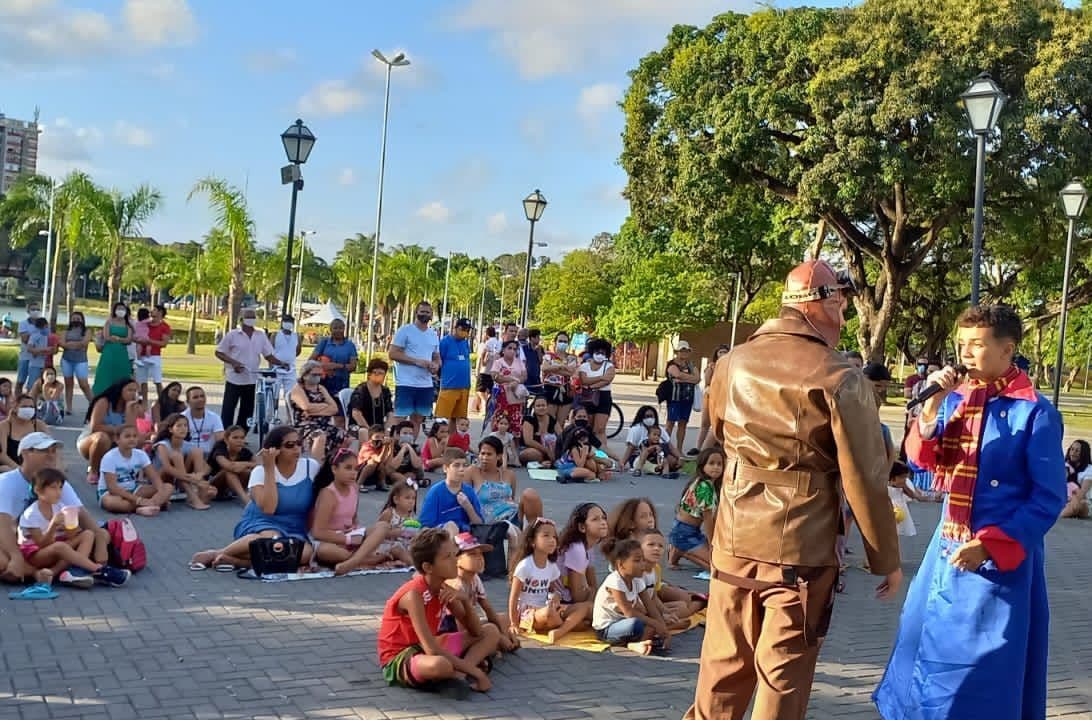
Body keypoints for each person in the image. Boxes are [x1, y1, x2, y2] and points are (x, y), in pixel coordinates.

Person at [688, 260, 901, 720]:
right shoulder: (839, 375)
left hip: (733, 534)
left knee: (722, 665)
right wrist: (885, 558)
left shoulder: (731, 363)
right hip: (801, 542)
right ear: (824, 304)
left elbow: (719, 437)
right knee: (782, 676)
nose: (843, 313)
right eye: (840, 302)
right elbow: (865, 478)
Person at [873, 305, 1066, 720]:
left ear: (1007, 349)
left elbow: (1047, 497)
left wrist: (991, 546)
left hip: (998, 563)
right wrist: (931, 408)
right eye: (961, 344)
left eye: (977, 344)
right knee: (923, 651)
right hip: (945, 551)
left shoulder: (1035, 411)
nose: (965, 353)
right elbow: (921, 463)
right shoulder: (957, 399)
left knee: (985, 671)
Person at [377, 528, 499, 696]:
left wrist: (463, 599)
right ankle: (464, 670)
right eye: (447, 557)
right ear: (428, 567)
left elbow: (476, 631)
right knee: (440, 664)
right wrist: (477, 672)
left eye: (454, 554)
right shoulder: (414, 595)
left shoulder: (443, 588)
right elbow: (432, 650)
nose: (454, 561)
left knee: (491, 631)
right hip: (401, 658)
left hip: (429, 647)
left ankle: (460, 673)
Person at [190, 426, 319, 571]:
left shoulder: (310, 467)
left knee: (305, 554)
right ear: (274, 449)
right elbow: (269, 509)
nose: (297, 448)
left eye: (299, 443)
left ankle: (237, 561)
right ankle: (219, 553)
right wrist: (269, 469)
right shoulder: (260, 472)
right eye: (290, 445)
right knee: (272, 541)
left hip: (294, 527)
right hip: (263, 523)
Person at [0, 433, 111, 586]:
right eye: (44, 451)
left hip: (42, 545)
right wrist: (15, 556)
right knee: (4, 562)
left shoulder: (56, 482)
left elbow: (83, 516)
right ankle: (37, 573)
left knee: (100, 534)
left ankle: (61, 572)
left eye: (53, 451)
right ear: (25, 453)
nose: (51, 456)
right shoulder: (6, 482)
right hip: (13, 543)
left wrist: (101, 543)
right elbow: (3, 526)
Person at [20, 467, 132, 588]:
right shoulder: (31, 514)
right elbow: (42, 545)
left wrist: (70, 525)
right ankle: (99, 570)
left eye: (60, 487)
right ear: (38, 490)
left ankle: (73, 572)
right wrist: (53, 525)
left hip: (58, 550)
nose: (58, 492)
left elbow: (71, 536)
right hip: (37, 556)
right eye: (53, 488)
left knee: (88, 534)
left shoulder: (59, 507)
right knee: (60, 546)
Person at [309, 448, 397, 575]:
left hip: (350, 535)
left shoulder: (354, 488)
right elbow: (317, 532)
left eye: (356, 469)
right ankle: (367, 558)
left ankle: (353, 561)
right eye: (348, 468)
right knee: (327, 552)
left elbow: (353, 518)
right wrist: (347, 540)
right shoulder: (328, 493)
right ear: (334, 469)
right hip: (330, 540)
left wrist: (355, 530)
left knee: (383, 526)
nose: (353, 473)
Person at [508, 517, 591, 644]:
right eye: (546, 536)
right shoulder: (525, 566)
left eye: (554, 537)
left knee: (586, 607)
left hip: (547, 608)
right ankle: (567, 626)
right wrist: (514, 623)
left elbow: (554, 590)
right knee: (550, 613)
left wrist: (556, 597)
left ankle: (560, 628)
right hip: (528, 613)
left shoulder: (551, 566)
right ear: (532, 541)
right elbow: (513, 598)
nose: (552, 540)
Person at [469, 435, 543, 572]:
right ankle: (515, 569)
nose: (484, 457)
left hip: (511, 515)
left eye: (489, 454)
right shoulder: (473, 472)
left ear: (499, 456)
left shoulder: (509, 475)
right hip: (489, 521)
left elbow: (511, 499)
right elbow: (466, 498)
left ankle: (538, 539)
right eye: (482, 453)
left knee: (530, 494)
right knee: (511, 530)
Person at [444, 532, 520, 653]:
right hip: (454, 630)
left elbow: (488, 608)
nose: (479, 558)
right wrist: (499, 637)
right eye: (472, 554)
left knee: (503, 619)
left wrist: (505, 634)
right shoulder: (455, 584)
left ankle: (498, 644)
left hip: (471, 624)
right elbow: (462, 624)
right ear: (456, 559)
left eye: (480, 554)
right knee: (491, 634)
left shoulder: (474, 578)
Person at [592, 537, 670, 655]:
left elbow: (651, 606)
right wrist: (655, 623)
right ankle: (633, 644)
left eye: (643, 560)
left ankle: (641, 642)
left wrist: (663, 628)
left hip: (625, 622)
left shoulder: (637, 580)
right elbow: (628, 612)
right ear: (621, 564)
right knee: (637, 624)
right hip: (607, 628)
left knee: (653, 622)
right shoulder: (615, 581)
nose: (643, 564)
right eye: (637, 561)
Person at [214, 308, 289, 429]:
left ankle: (241, 435)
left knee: (247, 410)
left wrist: (281, 363)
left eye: (253, 317)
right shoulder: (232, 335)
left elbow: (268, 355)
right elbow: (219, 352)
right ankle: (225, 435)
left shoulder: (260, 335)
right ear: (241, 320)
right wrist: (234, 363)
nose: (251, 320)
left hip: (251, 378)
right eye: (248, 317)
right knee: (229, 408)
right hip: (234, 378)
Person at [388, 300, 440, 439]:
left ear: (431, 315)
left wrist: (436, 365)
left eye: (427, 312)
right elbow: (393, 353)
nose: (424, 314)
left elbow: (436, 356)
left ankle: (411, 447)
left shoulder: (433, 334)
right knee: (400, 418)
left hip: (425, 385)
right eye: (422, 311)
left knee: (417, 419)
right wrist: (416, 361)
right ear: (416, 312)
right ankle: (393, 447)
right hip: (406, 383)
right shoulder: (405, 330)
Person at [667, 447, 725, 571]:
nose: (716, 467)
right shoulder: (705, 487)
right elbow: (708, 520)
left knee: (716, 560)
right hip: (685, 532)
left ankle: (677, 550)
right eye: (711, 463)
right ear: (702, 465)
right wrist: (712, 545)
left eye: (720, 464)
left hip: (685, 529)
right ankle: (682, 550)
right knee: (716, 568)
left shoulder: (703, 482)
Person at [78, 379, 143, 485]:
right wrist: (116, 430)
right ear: (120, 390)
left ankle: (127, 470)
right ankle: (93, 471)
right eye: (130, 390)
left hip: (115, 441)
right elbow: (95, 427)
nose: (133, 393)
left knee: (138, 439)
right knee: (102, 438)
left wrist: (128, 409)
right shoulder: (104, 402)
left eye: (135, 391)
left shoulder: (132, 406)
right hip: (92, 441)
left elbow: (131, 430)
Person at [98, 424, 173, 515]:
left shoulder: (140, 454)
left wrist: (161, 492)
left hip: (134, 489)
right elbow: (112, 488)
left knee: (168, 487)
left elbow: (154, 477)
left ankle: (149, 505)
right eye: (127, 436)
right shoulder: (109, 457)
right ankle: (150, 506)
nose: (132, 439)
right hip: (112, 493)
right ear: (117, 440)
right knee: (111, 503)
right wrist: (138, 500)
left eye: (135, 436)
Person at [152, 413, 215, 510]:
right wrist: (192, 480)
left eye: (185, 425)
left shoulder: (187, 444)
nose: (183, 428)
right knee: (176, 456)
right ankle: (193, 498)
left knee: (197, 451)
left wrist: (199, 476)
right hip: (161, 479)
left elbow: (207, 466)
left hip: (180, 479)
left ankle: (201, 492)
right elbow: (167, 468)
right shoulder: (162, 445)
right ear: (170, 429)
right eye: (179, 426)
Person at [289, 360, 345, 459]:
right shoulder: (298, 389)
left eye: (320, 374)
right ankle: (317, 466)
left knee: (346, 437)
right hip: (306, 425)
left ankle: (330, 462)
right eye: (314, 374)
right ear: (305, 375)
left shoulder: (321, 388)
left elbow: (334, 408)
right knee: (320, 436)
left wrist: (312, 410)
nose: (318, 377)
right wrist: (325, 406)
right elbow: (306, 406)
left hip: (324, 424)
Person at [418, 448, 483, 534]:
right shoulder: (436, 492)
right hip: (440, 537)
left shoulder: (469, 491)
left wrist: (468, 507)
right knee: (451, 526)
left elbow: (479, 524)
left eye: (464, 465)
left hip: (465, 538)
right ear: (445, 468)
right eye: (456, 465)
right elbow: (424, 527)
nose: (461, 469)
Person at [556, 502, 610, 603]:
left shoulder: (588, 548)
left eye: (603, 518)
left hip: (572, 600)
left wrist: (592, 592)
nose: (603, 522)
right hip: (563, 601)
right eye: (595, 519)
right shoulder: (577, 549)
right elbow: (577, 596)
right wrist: (592, 592)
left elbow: (593, 584)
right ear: (582, 527)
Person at [309, 318, 358, 426]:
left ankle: (338, 435)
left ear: (344, 329)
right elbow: (311, 361)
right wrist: (323, 366)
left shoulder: (350, 345)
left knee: (340, 414)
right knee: (322, 412)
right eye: (335, 328)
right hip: (324, 381)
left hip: (342, 382)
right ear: (330, 329)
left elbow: (353, 366)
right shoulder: (324, 343)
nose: (338, 330)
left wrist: (337, 366)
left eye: (340, 328)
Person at [576, 338, 616, 446]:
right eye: (597, 352)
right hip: (588, 397)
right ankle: (587, 453)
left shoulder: (609, 366)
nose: (600, 354)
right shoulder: (584, 366)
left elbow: (607, 380)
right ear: (592, 352)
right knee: (587, 427)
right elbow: (584, 380)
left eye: (603, 352)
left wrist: (591, 386)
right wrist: (600, 378)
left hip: (603, 398)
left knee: (600, 429)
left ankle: (602, 455)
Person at [434, 318, 473, 424]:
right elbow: (438, 360)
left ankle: (453, 440)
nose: (466, 332)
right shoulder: (445, 342)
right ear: (456, 328)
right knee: (442, 418)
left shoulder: (465, 343)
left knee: (458, 419)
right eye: (463, 329)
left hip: (464, 386)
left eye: (468, 330)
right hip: (449, 385)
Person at [664, 341, 700, 455]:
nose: (684, 353)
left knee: (683, 423)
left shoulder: (690, 365)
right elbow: (677, 374)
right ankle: (666, 447)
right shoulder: (671, 364)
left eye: (686, 351)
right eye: (682, 350)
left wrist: (683, 378)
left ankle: (679, 449)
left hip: (687, 398)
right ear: (677, 352)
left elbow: (697, 379)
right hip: (674, 398)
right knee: (670, 423)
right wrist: (690, 378)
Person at [92, 302, 134, 397]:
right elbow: (106, 336)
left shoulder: (128, 324)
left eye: (123, 309)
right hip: (109, 351)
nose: (120, 311)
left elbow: (129, 339)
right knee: (105, 373)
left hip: (122, 353)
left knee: (121, 374)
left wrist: (119, 339)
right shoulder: (109, 322)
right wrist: (115, 339)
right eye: (118, 308)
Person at [0, 395, 51, 470]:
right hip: (11, 467)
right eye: (24, 406)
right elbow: (2, 455)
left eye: (31, 407)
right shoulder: (5, 426)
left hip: (34, 466)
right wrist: (20, 470)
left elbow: (52, 448)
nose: (28, 409)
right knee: (5, 469)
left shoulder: (39, 425)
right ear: (15, 408)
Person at [695, 344, 730, 451]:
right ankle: (699, 448)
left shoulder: (730, 366)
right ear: (716, 354)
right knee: (705, 424)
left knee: (719, 425)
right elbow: (707, 383)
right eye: (720, 352)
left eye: (725, 352)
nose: (723, 354)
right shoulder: (711, 366)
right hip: (710, 396)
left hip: (724, 397)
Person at [208, 425, 255, 505]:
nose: (239, 441)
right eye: (235, 438)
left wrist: (244, 464)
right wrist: (246, 465)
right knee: (228, 471)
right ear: (226, 440)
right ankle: (246, 500)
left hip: (231, 487)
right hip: (214, 485)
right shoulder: (220, 449)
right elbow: (229, 467)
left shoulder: (245, 452)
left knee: (248, 472)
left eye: (242, 438)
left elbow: (260, 463)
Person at [348, 358, 394, 438]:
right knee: (364, 432)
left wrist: (387, 429)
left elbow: (390, 413)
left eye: (381, 373)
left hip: (378, 427)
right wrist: (369, 430)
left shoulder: (385, 390)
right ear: (369, 374)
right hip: (360, 426)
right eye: (375, 373)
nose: (378, 375)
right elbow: (356, 413)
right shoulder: (361, 390)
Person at [134, 305, 171, 402]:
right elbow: (136, 334)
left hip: (155, 356)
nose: (151, 311)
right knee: (143, 381)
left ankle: (162, 402)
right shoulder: (145, 324)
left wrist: (149, 342)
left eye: (154, 310)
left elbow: (164, 343)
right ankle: (144, 403)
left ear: (160, 313)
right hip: (142, 355)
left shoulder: (165, 327)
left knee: (157, 381)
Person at [490, 339, 527, 432]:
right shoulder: (498, 362)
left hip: (516, 395)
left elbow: (524, 376)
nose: (512, 351)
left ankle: (514, 443)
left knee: (516, 420)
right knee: (501, 418)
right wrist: (511, 379)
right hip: (502, 397)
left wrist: (517, 382)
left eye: (515, 349)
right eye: (509, 348)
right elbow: (495, 376)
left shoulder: (519, 362)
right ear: (503, 349)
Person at [270, 314, 302, 423]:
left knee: (291, 395)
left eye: (290, 321)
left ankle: (290, 418)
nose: (287, 323)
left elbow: (297, 351)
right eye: (285, 321)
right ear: (282, 322)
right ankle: (273, 416)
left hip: (290, 370)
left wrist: (289, 358)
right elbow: (270, 352)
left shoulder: (296, 336)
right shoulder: (275, 335)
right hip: (276, 369)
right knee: (274, 394)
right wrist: (273, 365)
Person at [60, 311, 93, 413]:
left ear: (82, 320)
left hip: (81, 361)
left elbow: (84, 343)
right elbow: (62, 343)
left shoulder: (87, 331)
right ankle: (69, 407)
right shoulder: (65, 331)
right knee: (68, 384)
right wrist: (75, 345)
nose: (76, 320)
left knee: (84, 384)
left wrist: (70, 344)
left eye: (78, 319)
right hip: (66, 360)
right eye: (73, 318)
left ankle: (93, 403)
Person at [541, 331, 578, 422]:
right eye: (560, 341)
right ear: (555, 342)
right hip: (550, 389)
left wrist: (553, 369)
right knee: (550, 420)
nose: (563, 343)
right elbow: (545, 368)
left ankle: (560, 436)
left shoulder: (572, 358)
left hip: (565, 390)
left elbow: (571, 372)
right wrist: (562, 366)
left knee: (560, 422)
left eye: (565, 342)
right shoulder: (549, 355)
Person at [182, 386, 224, 458]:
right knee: (197, 454)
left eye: (202, 396)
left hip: (209, 455)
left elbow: (220, 440)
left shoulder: (215, 417)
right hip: (187, 455)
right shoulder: (181, 418)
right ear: (188, 402)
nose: (200, 399)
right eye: (195, 397)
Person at [386, 420, 426, 487]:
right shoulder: (392, 446)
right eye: (405, 433)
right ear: (398, 435)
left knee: (411, 474)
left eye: (410, 434)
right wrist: (403, 449)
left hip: (409, 473)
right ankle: (412, 483)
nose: (408, 436)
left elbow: (417, 465)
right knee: (395, 475)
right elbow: (393, 466)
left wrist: (410, 448)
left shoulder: (416, 447)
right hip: (394, 473)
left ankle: (407, 482)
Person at [520, 396, 556, 466]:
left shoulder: (552, 419)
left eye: (543, 405)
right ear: (534, 407)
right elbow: (528, 441)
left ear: (547, 406)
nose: (541, 408)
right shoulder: (529, 420)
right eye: (538, 406)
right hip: (534, 449)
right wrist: (547, 451)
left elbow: (562, 435)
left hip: (551, 449)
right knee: (531, 454)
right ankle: (544, 462)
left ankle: (549, 462)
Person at [16, 301, 42, 396]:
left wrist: (31, 335)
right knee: (20, 381)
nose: (35, 311)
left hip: (37, 359)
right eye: (33, 309)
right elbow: (24, 339)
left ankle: (29, 402)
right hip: (25, 356)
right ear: (28, 311)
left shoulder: (43, 323)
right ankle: (17, 401)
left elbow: (46, 337)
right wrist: (37, 334)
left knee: (33, 384)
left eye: (37, 309)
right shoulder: (23, 323)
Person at [1061, 439, 1092, 519]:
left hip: (1083, 502)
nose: (1073, 453)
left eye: (1077, 451)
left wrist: (1073, 500)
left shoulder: (1089, 469)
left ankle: (1058, 517)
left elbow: (1082, 492)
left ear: (1083, 453)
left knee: (1078, 504)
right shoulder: (1064, 466)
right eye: (1072, 449)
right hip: (1064, 499)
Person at [357, 424, 393, 492]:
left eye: (382, 437)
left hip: (374, 474)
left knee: (382, 465)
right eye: (377, 437)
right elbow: (378, 459)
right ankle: (359, 484)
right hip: (361, 473)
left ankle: (381, 483)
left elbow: (388, 462)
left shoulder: (382, 446)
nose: (380, 439)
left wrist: (391, 446)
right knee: (373, 463)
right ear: (370, 437)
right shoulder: (367, 446)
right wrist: (385, 447)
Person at [473, 326, 500, 415]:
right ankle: (487, 406)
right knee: (489, 390)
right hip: (494, 371)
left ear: (486, 334)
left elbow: (481, 358)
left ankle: (485, 405)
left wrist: (477, 370)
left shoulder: (485, 344)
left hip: (484, 370)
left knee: (480, 390)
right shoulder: (499, 343)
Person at [25, 317, 52, 392]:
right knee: (32, 386)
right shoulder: (35, 336)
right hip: (34, 365)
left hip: (42, 364)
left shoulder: (45, 337)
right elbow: (29, 348)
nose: (47, 328)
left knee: (40, 386)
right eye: (46, 327)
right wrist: (43, 350)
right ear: (41, 327)